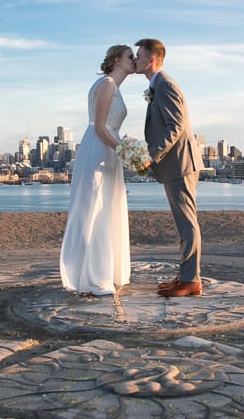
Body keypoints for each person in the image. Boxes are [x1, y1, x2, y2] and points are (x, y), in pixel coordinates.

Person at [60, 45, 136, 295]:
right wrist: (127, 151)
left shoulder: (115, 87)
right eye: (130, 57)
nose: (134, 60)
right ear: (116, 59)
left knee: (107, 207)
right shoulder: (106, 85)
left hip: (109, 148)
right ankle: (94, 277)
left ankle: (106, 270)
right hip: (99, 148)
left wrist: (121, 149)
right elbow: (101, 127)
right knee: (95, 208)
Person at [135, 38, 204, 297]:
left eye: (139, 55)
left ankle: (191, 280)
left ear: (151, 59)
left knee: (187, 223)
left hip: (180, 163)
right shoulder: (159, 85)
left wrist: (151, 156)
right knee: (183, 223)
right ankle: (186, 276)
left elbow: (175, 126)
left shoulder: (165, 85)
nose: (136, 60)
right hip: (176, 164)